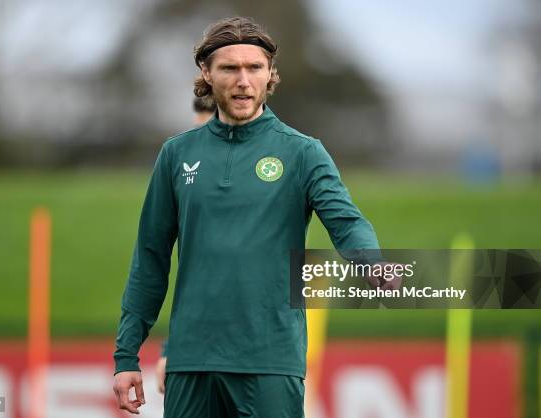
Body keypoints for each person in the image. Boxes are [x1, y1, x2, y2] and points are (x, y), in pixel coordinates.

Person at [113, 16, 398, 417]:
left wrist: (370, 259)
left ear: (270, 75)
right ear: (207, 74)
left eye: (255, 68)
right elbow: (150, 259)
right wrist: (126, 357)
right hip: (191, 362)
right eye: (230, 68)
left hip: (269, 361)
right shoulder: (176, 155)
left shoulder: (303, 152)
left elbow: (346, 220)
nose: (243, 80)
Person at [154, 96, 217, 395]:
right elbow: (200, 281)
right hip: (200, 350)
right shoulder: (183, 160)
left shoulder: (290, 157)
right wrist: (170, 348)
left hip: (270, 349)